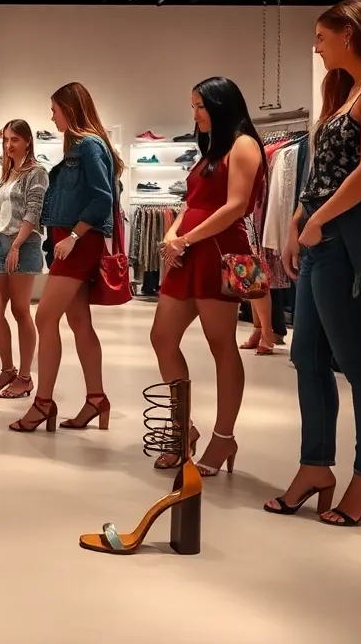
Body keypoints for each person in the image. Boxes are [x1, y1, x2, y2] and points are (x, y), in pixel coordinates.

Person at [267, 0, 361, 527]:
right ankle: (315, 465)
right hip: (324, 232)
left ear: (348, 33)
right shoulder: (348, 91)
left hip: (355, 233)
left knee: (358, 364)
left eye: (322, 37)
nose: (316, 47)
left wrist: (316, 220)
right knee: (307, 355)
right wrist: (297, 222)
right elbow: (325, 169)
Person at [149, 77, 266, 476]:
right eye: (193, 106)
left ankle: (224, 436)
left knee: (221, 346)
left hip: (218, 251)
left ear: (220, 106)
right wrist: (172, 233)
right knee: (162, 337)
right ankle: (184, 430)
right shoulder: (211, 149)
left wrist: (186, 239)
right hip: (189, 250)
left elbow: (235, 207)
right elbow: (193, 201)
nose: (194, 113)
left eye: (200, 106)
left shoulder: (244, 145)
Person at [9, 82, 122, 433]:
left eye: (55, 109)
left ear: (69, 110)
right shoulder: (79, 148)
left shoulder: (89, 146)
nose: (52, 116)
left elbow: (103, 197)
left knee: (44, 317)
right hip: (70, 240)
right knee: (79, 322)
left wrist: (74, 236)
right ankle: (96, 399)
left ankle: (43, 402)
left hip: (78, 242)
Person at [0, 119, 48, 404]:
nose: (9, 145)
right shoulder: (7, 173)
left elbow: (34, 210)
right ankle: (8, 368)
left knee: (21, 310)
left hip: (23, 243)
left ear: (27, 141)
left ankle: (25, 376)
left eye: (15, 140)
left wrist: (17, 244)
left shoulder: (36, 172)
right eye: (6, 140)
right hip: (0, 243)